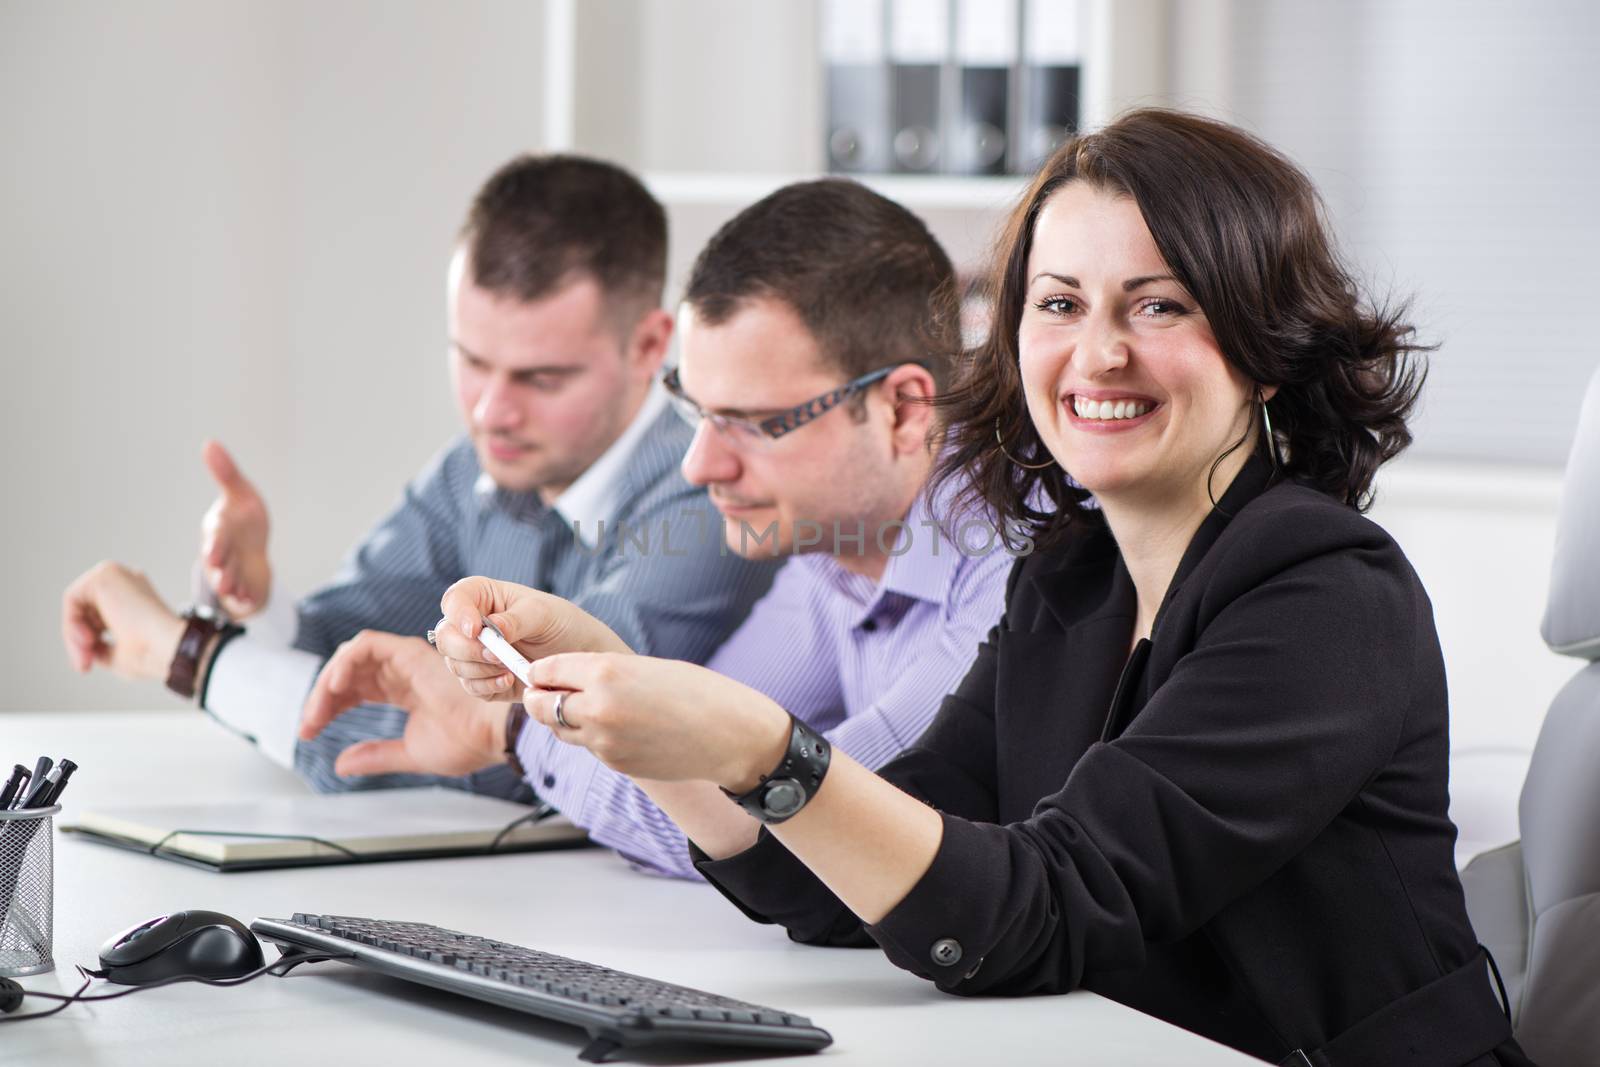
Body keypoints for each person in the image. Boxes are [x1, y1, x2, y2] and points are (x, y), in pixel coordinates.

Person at [429, 111, 1535, 1065]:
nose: (1095, 354)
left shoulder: (1323, 592)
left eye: (1156, 305)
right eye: (1057, 303)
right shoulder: (1072, 577)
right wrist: (631, 700)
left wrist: (764, 745)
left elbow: (1043, 907)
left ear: (1262, 343)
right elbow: (851, 875)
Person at [300, 178, 1013, 877]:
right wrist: (559, 686)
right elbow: (698, 793)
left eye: (753, 424)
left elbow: (792, 840)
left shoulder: (1006, 573)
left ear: (903, 410)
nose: (701, 466)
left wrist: (511, 723)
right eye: (696, 412)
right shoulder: (831, 556)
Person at [60, 154, 776, 800]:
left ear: (650, 345)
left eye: (542, 377)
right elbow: (346, 653)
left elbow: (546, 740)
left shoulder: (713, 494)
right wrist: (256, 600)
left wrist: (187, 654)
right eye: (471, 360)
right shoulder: (482, 465)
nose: (492, 411)